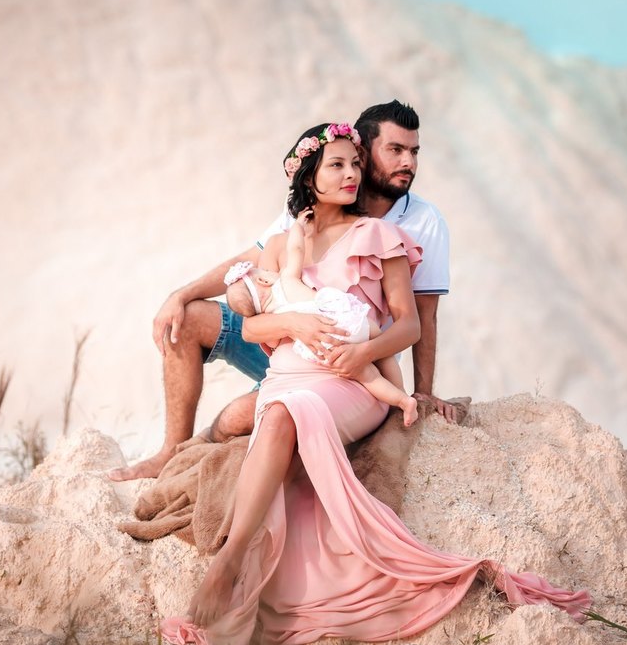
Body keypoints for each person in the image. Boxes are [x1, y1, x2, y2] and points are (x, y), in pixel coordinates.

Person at [163, 121, 592, 645]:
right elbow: (251, 327)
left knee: (288, 414)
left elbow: (408, 325)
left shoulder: (380, 236)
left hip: (350, 382)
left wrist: (362, 354)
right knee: (277, 413)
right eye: (336, 165)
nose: (350, 175)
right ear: (308, 178)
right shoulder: (279, 245)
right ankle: (235, 561)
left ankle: (229, 565)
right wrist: (294, 326)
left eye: (354, 164)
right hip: (288, 375)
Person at [109, 101, 455, 482]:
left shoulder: (421, 222)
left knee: (236, 417)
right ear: (363, 151)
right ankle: (169, 453)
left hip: (342, 356)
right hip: (281, 339)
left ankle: (214, 444)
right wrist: (181, 294)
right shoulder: (314, 207)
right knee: (187, 316)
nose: (408, 162)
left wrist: (422, 392)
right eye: (395, 150)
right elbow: (252, 258)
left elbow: (424, 316)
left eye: (414, 152)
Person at [224, 202, 420, 426]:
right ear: (263, 279)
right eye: (264, 271)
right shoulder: (287, 280)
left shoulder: (271, 312)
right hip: (344, 321)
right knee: (382, 351)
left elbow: (260, 333)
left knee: (368, 376)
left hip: (326, 349)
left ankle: (402, 402)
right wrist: (297, 227)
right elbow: (295, 250)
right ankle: (401, 393)